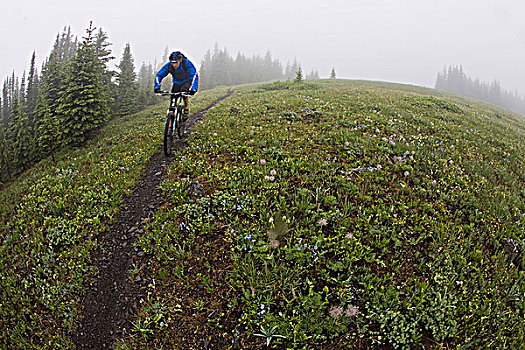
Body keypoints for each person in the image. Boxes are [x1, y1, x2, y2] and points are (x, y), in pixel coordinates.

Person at [154, 51, 199, 120]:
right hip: (177, 82)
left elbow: (194, 75)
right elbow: (159, 75)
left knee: (184, 92)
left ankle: (186, 108)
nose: (174, 65)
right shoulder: (169, 66)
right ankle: (171, 114)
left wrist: (193, 89)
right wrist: (157, 87)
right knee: (173, 95)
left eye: (176, 62)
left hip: (187, 80)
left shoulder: (186, 63)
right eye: (172, 63)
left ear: (180, 60)